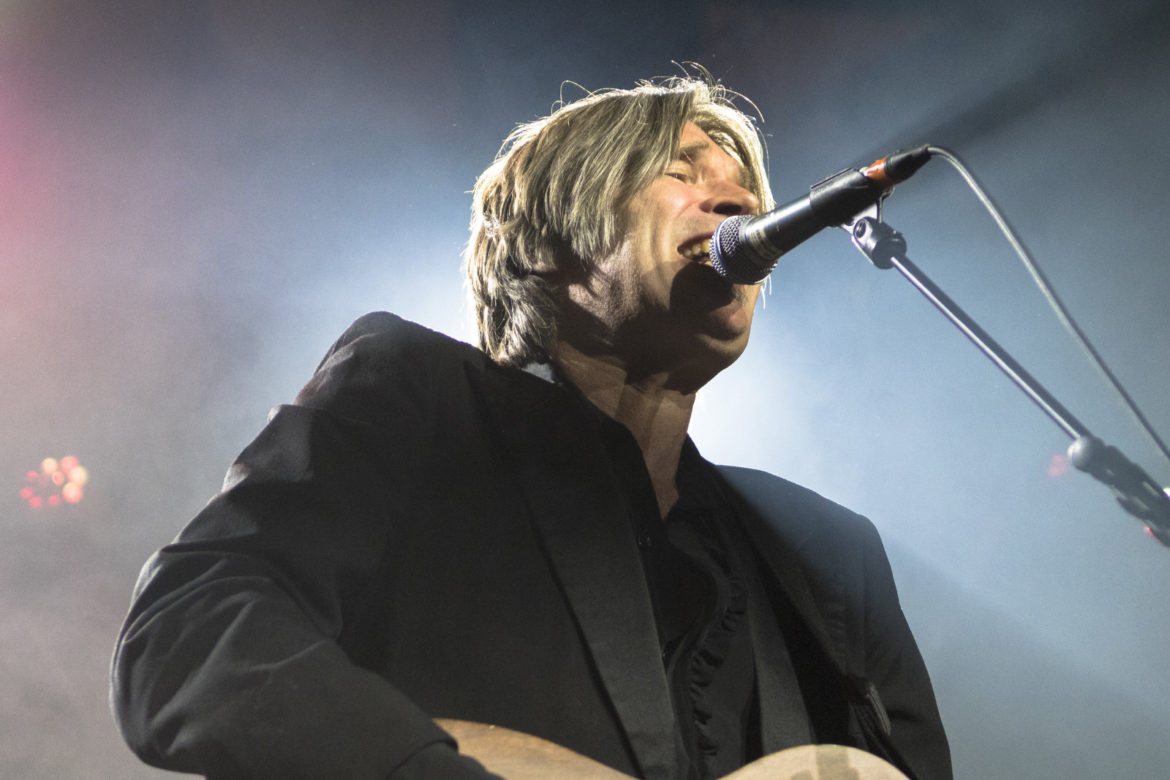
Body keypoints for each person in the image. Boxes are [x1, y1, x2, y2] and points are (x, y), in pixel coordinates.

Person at [111, 74, 952, 780]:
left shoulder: (826, 551)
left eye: (741, 183)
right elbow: (187, 635)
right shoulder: (418, 397)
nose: (734, 196)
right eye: (681, 169)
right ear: (549, 240)